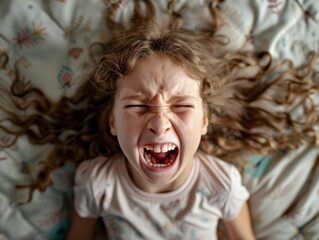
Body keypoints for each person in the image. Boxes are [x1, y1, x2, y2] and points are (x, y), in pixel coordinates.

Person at [0, 0, 318, 239]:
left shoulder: (220, 184)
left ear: (205, 122)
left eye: (181, 106)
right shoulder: (97, 183)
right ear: (112, 121)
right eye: (138, 106)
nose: (160, 123)